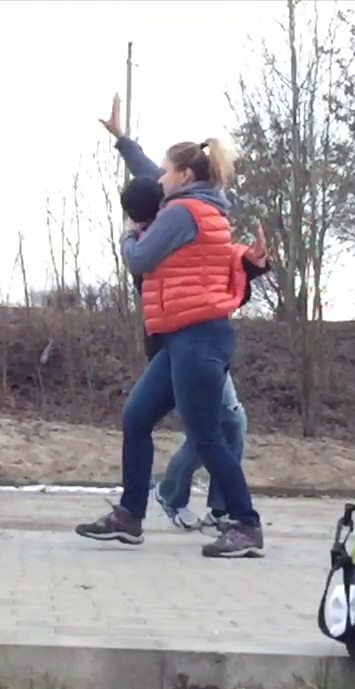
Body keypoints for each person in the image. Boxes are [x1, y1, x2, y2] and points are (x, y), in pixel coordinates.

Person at [74, 97, 270, 559]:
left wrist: (127, 232)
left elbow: (139, 259)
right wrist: (122, 140)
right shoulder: (193, 204)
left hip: (199, 337)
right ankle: (129, 516)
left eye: (166, 171)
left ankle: (246, 524)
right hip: (183, 338)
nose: (158, 178)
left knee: (207, 433)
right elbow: (145, 170)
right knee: (137, 418)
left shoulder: (181, 214)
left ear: (184, 175)